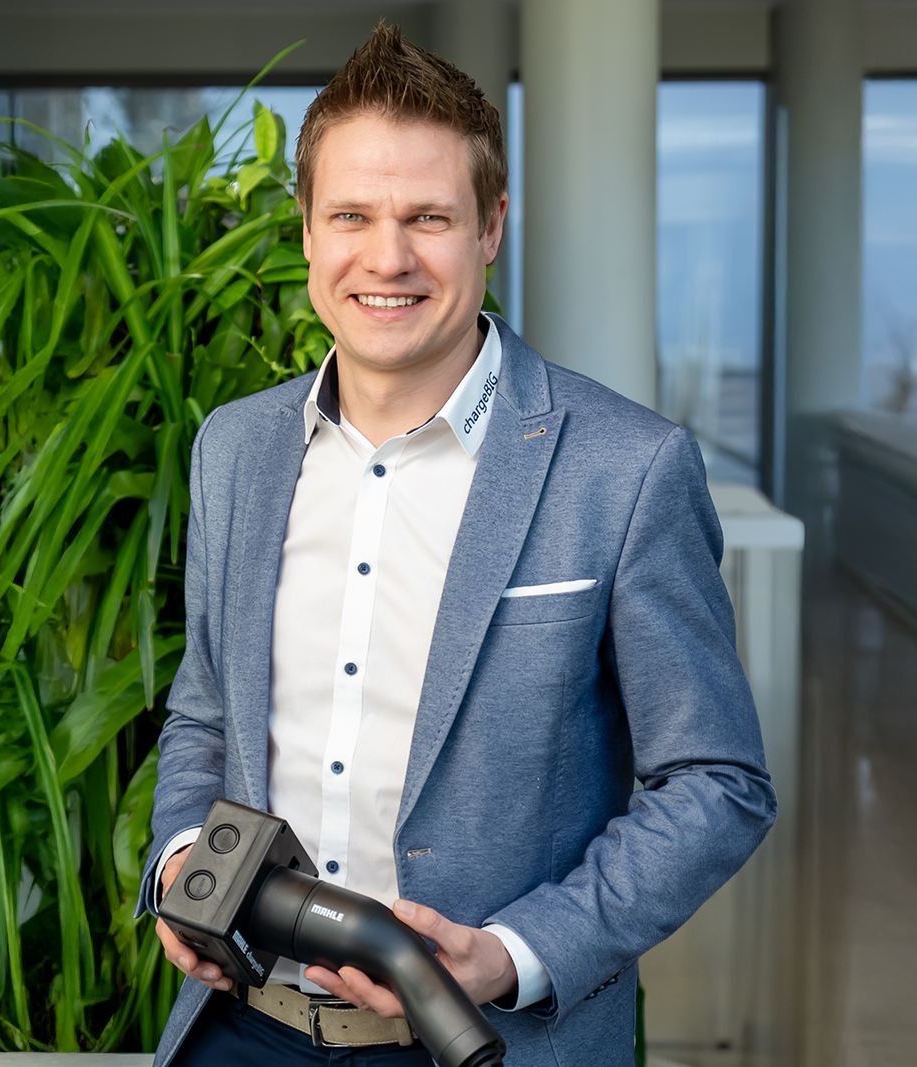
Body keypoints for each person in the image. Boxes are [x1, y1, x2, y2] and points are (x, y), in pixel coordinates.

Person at [137, 23, 776, 1067]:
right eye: (351, 215)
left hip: (486, 1040)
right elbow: (205, 710)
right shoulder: (235, 449)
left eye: (427, 217)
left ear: (491, 226)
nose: (386, 258)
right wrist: (180, 865)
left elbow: (716, 781)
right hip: (242, 1030)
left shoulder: (626, 467)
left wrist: (511, 954)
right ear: (308, 231)